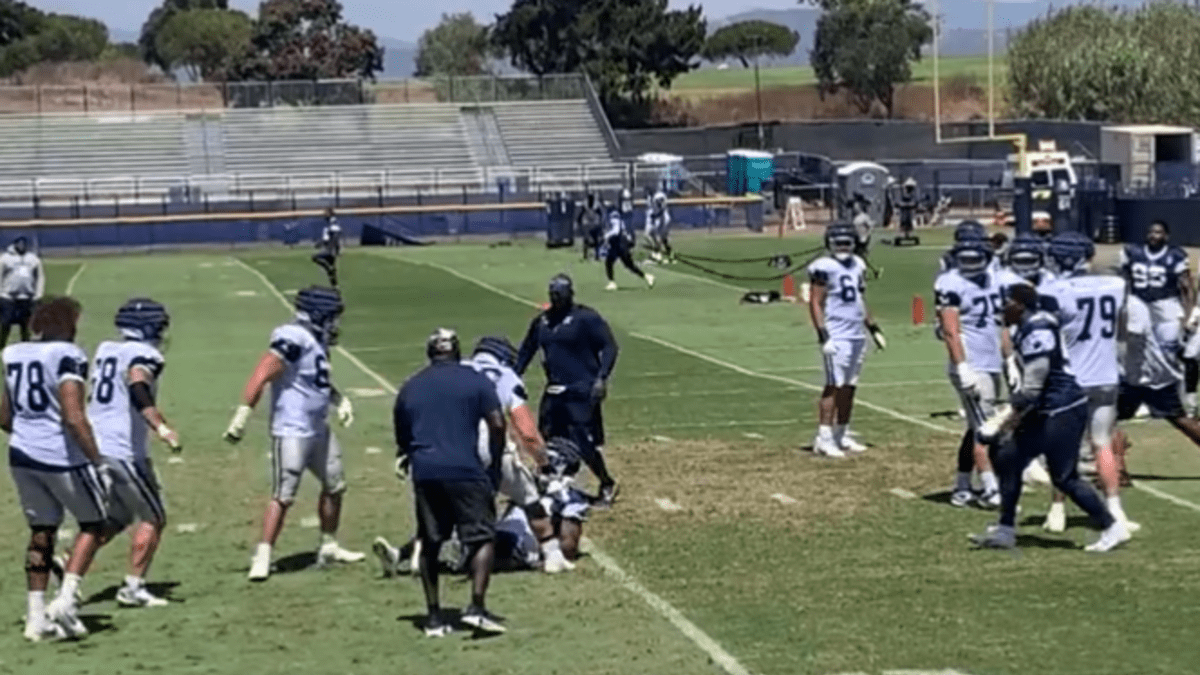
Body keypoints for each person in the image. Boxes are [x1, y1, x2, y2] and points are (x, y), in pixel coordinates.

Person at [373, 334, 575, 576]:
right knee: (529, 498)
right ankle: (552, 554)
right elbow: (527, 431)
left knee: (443, 513)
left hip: (447, 450)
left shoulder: (455, 371)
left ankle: (408, 555)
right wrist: (544, 464)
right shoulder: (505, 377)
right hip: (488, 447)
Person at [972, 283, 1129, 552]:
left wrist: (1001, 419)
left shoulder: (1039, 328)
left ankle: (1111, 526)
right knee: (1008, 457)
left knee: (1064, 477)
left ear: (1020, 304)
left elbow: (1034, 385)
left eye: (1006, 302)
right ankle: (1006, 529)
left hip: (1062, 408)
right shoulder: (1027, 325)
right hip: (1047, 408)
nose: (1001, 307)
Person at [223, 286, 362, 582]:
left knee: (335, 485)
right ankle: (263, 554)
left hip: (318, 427)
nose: (335, 323)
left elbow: (316, 380)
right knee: (284, 494)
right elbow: (264, 371)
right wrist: (244, 412)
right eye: (332, 316)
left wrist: (339, 400)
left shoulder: (315, 340)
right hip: (292, 428)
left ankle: (329, 545)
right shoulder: (292, 336)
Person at [60, 299, 182, 609]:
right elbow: (137, 384)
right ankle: (133, 587)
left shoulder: (105, 349)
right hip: (122, 450)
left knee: (116, 516)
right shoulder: (145, 354)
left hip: (93, 443)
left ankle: (69, 563)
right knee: (153, 516)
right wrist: (161, 426)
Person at [394, 328, 508, 637]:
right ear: (457, 352)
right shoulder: (476, 380)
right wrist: (495, 460)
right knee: (482, 537)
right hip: (465, 468)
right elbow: (497, 424)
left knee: (430, 542)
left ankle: (433, 616)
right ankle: (476, 606)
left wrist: (411, 454)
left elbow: (402, 434)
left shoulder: (411, 386)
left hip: (426, 469)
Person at [4, 297, 106, 640]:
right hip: (60, 456)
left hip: (21, 452)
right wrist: (98, 459)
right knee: (94, 523)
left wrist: (26, 432)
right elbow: (74, 415)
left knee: (41, 531)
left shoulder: (13, 353)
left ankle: (35, 617)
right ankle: (66, 599)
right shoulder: (67, 354)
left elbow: (3, 413)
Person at [1038, 232, 1138, 533]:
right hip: (1106, 374)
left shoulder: (1052, 289)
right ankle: (1114, 508)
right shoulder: (1115, 285)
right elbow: (1122, 329)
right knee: (1102, 443)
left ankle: (1057, 509)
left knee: (1063, 449)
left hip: (1070, 378)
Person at [516, 274, 620, 507]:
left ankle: (606, 482)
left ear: (570, 294)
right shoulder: (542, 322)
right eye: (553, 294)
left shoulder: (585, 318)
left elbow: (609, 347)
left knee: (582, 439)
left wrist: (602, 378)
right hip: (554, 388)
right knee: (546, 437)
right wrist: (514, 377)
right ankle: (556, 480)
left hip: (581, 388)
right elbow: (526, 351)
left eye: (560, 294)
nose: (556, 298)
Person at [934, 231, 1007, 508]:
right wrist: (961, 366)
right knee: (986, 429)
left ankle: (962, 486)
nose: (970, 262)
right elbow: (950, 330)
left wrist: (1009, 358)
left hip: (991, 361)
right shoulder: (950, 282)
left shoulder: (994, 278)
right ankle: (990, 488)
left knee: (976, 426)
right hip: (971, 363)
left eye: (975, 257)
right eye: (964, 257)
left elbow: (1000, 322)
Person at [807, 221, 886, 457]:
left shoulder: (858, 264)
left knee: (850, 386)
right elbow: (815, 302)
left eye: (846, 242)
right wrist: (823, 335)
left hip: (856, 333)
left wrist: (873, 327)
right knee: (833, 385)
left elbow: (860, 300)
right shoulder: (823, 266)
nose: (842, 247)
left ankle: (842, 433)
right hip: (837, 333)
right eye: (838, 242)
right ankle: (824, 437)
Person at [1119, 220, 1193, 360]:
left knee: (1167, 348)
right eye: (1151, 232)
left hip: (1166, 302)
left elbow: (1187, 287)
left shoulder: (1176, 255)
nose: (1153, 235)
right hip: (1139, 300)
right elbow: (1124, 281)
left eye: (1158, 232)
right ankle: (1138, 378)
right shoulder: (1133, 252)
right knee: (1136, 342)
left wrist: (1188, 314)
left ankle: (1169, 378)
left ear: (1166, 236)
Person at [0, 236, 44, 348]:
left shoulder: (33, 259)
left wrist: (38, 294)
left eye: (23, 244)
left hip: (26, 297)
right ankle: (1, 345)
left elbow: (39, 277)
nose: (21, 246)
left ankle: (26, 347)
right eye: (19, 244)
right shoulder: (5, 258)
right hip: (8, 297)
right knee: (5, 323)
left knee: (25, 325)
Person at [602, 207, 654, 291]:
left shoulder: (613, 216)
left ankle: (612, 283)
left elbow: (616, 230)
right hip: (619, 242)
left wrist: (606, 236)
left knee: (612, 262)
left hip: (620, 243)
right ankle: (647, 277)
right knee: (625, 264)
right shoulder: (613, 216)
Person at [312, 209, 342, 287]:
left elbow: (335, 236)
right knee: (332, 269)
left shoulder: (333, 222)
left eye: (326, 213)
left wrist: (335, 249)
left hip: (330, 248)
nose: (324, 215)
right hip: (330, 247)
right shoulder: (329, 223)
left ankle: (328, 269)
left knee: (315, 258)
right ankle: (335, 285)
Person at [645, 188, 674, 264]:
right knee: (663, 238)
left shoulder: (656, 198)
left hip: (662, 218)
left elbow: (659, 208)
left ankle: (658, 255)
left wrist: (654, 217)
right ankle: (670, 254)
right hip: (664, 217)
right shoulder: (660, 196)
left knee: (656, 237)